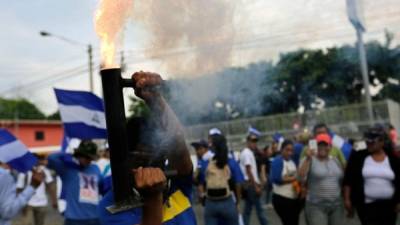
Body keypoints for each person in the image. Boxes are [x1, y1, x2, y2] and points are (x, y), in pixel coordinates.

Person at [97, 71, 196, 225]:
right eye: (143, 156)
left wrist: (155, 100)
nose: (153, 162)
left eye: (158, 153)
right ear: (126, 158)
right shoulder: (112, 206)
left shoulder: (176, 184)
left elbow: (176, 139)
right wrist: (153, 198)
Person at [343, 126, 400, 225]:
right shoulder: (358, 157)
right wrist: (347, 199)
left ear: (382, 142)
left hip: (389, 206)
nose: (368, 144)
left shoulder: (392, 158)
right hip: (366, 206)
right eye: (367, 142)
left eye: (372, 142)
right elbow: (348, 179)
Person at [48, 140, 103, 225]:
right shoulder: (67, 170)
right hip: (73, 219)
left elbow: (101, 186)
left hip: (94, 217)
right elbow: (51, 158)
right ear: (79, 155)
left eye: (90, 158)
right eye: (85, 156)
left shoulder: (95, 168)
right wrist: (70, 155)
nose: (88, 160)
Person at [298, 134, 344, 225]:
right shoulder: (310, 159)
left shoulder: (335, 160)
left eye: (325, 145)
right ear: (315, 146)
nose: (322, 147)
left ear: (330, 147)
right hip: (316, 206)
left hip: (336, 205)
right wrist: (307, 158)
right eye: (319, 145)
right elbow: (300, 177)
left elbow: (341, 179)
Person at [199, 134, 240, 225]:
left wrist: (202, 198)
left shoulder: (205, 162)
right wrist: (237, 202)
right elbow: (238, 184)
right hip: (228, 202)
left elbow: (201, 183)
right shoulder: (231, 162)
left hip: (210, 203)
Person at [16, 154, 57, 225]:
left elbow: (51, 186)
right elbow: (19, 187)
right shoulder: (24, 171)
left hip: (42, 202)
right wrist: (18, 203)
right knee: (27, 223)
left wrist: (54, 200)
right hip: (28, 203)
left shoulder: (44, 171)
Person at [239, 132, 269, 225]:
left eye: (255, 141)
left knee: (248, 209)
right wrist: (256, 186)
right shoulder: (247, 153)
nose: (254, 143)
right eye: (252, 141)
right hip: (251, 185)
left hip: (249, 184)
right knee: (260, 210)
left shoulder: (248, 152)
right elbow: (249, 170)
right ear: (248, 142)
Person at [270, 140, 301, 225]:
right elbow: (277, 179)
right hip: (282, 198)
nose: (289, 153)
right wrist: (294, 178)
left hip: (293, 198)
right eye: (287, 150)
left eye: (291, 150)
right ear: (281, 150)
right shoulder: (278, 161)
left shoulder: (292, 161)